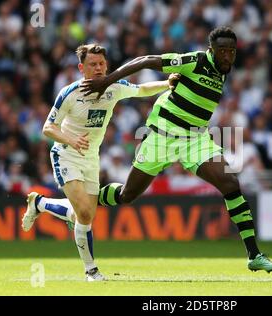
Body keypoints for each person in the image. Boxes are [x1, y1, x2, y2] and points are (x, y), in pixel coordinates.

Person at [80, 27, 272, 273]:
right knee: (126, 196)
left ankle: (254, 255)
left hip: (195, 140)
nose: (228, 56)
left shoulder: (223, 70)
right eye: (223, 51)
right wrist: (106, 80)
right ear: (211, 51)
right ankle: (85, 202)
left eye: (231, 51)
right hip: (161, 138)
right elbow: (146, 60)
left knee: (230, 184)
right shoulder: (195, 61)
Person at [21, 44, 179, 281]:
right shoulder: (69, 93)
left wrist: (166, 84)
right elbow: (48, 127)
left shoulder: (114, 88)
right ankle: (91, 271)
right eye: (93, 64)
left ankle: (40, 204)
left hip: (91, 157)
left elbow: (141, 89)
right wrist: (71, 139)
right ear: (81, 68)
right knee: (84, 213)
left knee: (83, 216)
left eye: (102, 64)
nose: (98, 68)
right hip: (66, 154)